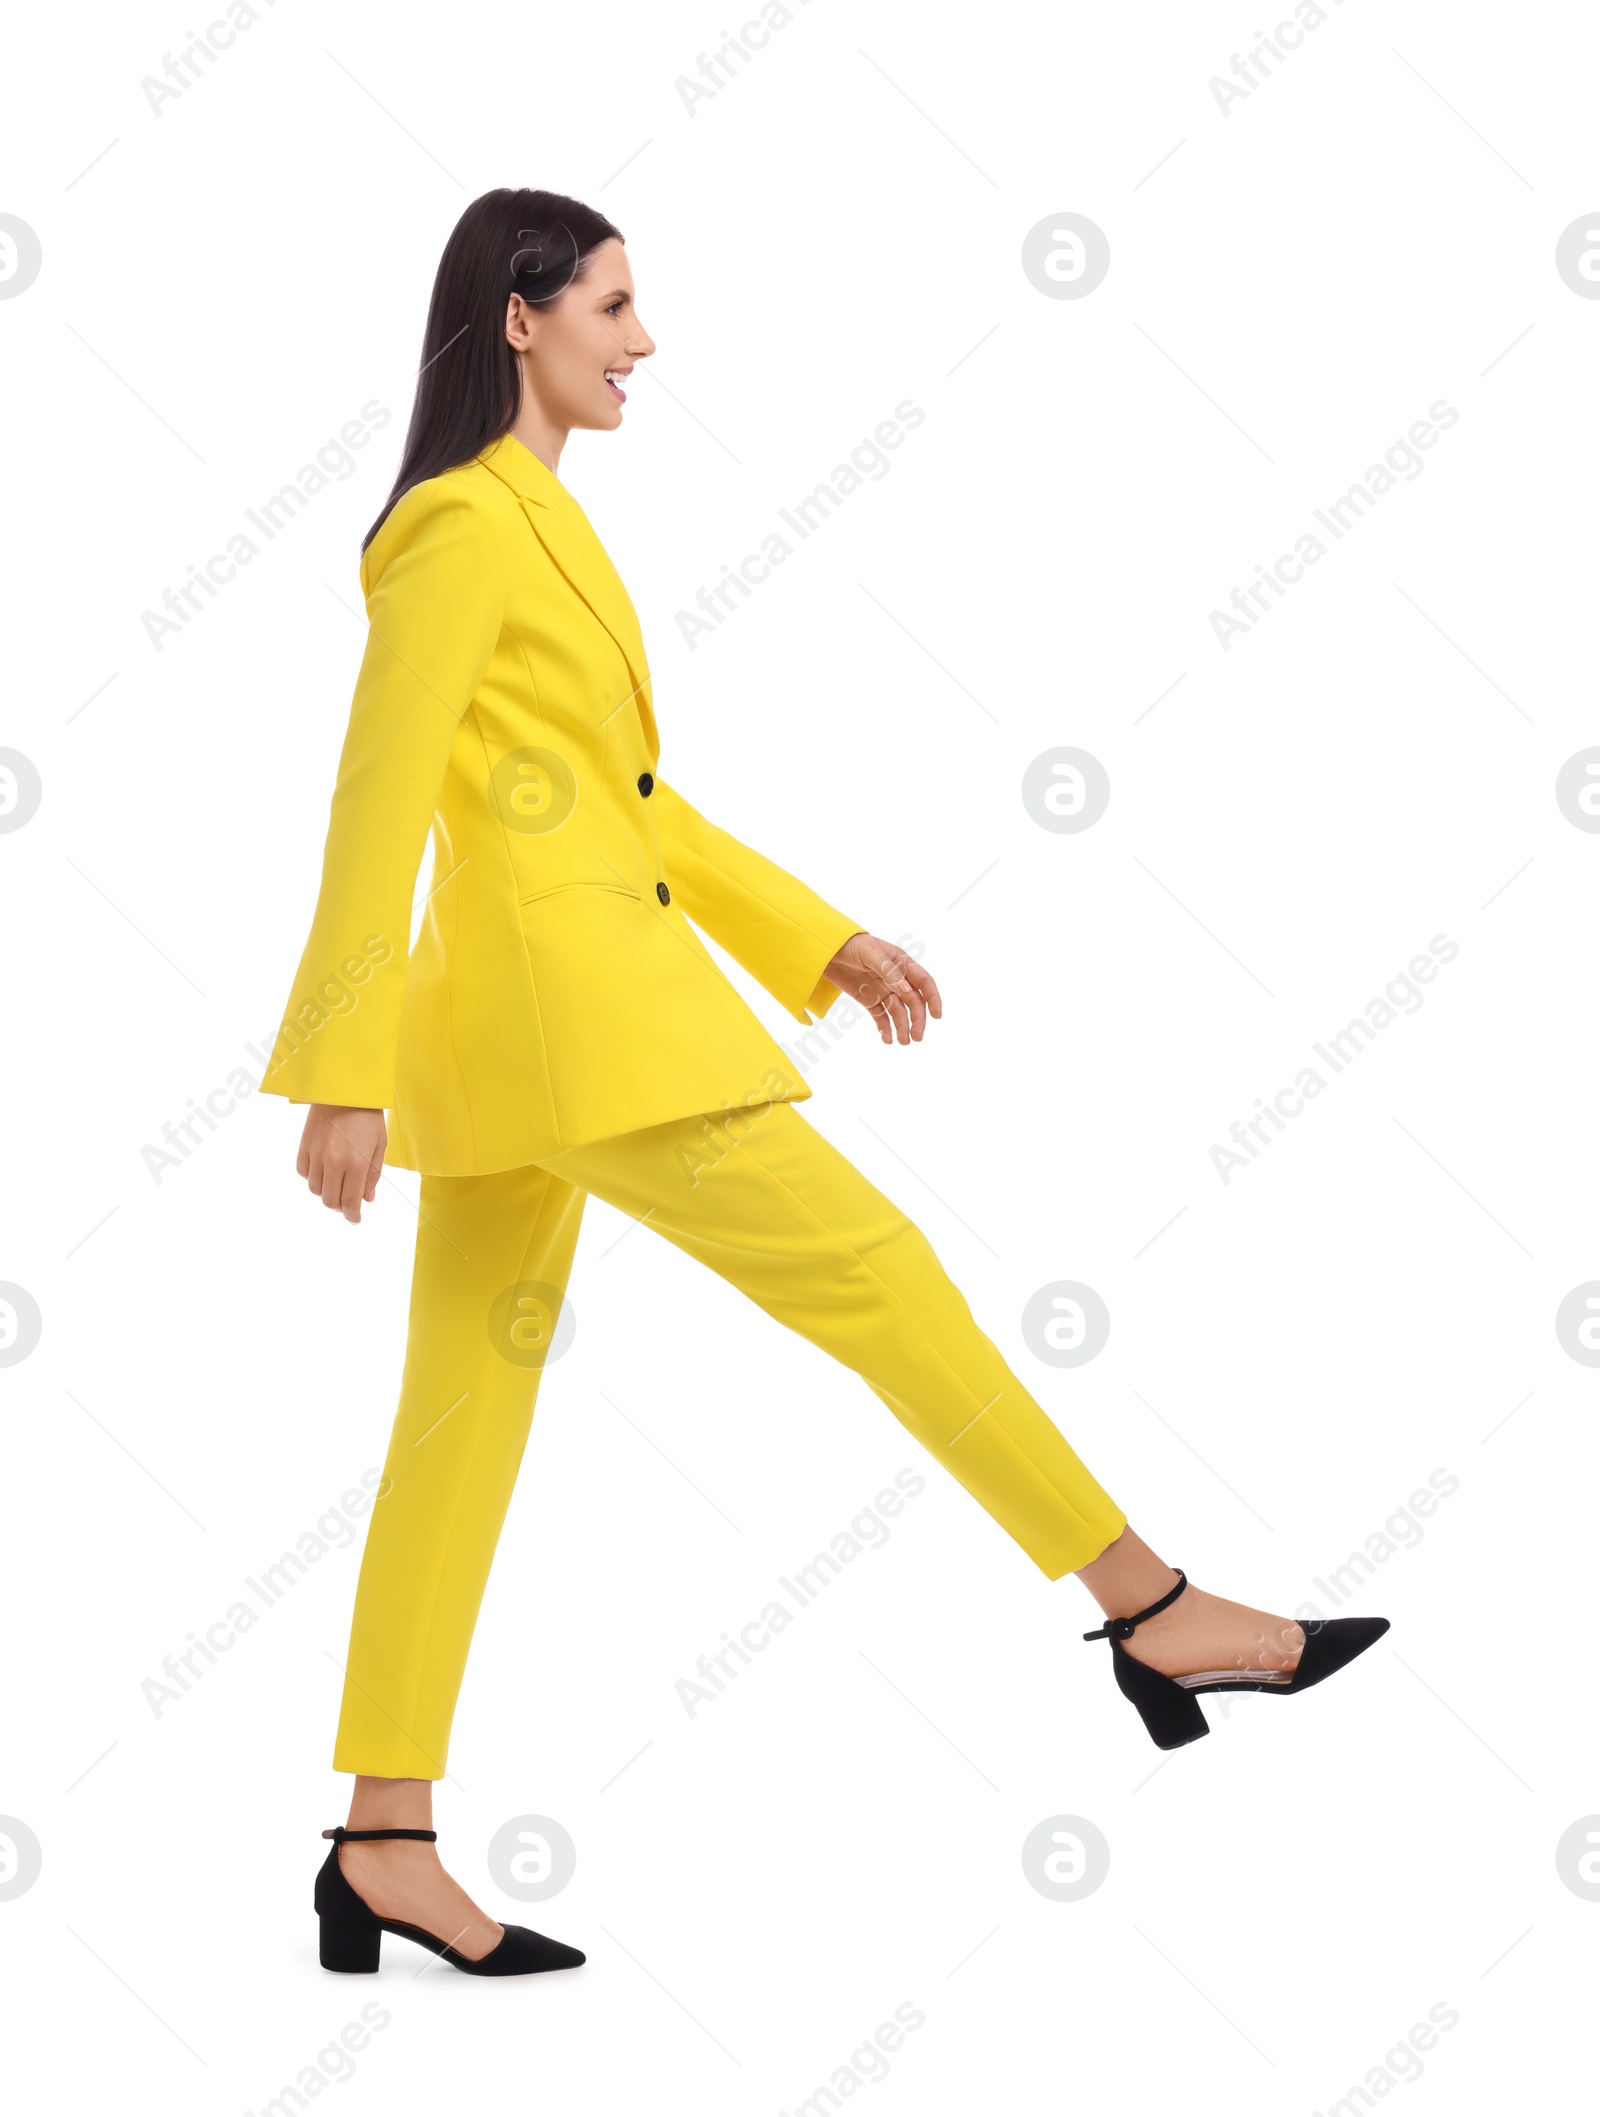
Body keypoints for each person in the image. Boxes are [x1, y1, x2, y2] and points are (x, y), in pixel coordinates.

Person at [264, 188, 1388, 1979]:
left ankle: (382, 1839)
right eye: (615, 305)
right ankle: (1153, 1611)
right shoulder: (456, 532)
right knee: (882, 1280)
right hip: (580, 1031)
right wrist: (338, 1064)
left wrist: (816, 935)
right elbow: (374, 794)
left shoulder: (537, 519)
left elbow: (625, 803)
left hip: (535, 1035)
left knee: (452, 1441)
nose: (644, 340)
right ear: (520, 318)